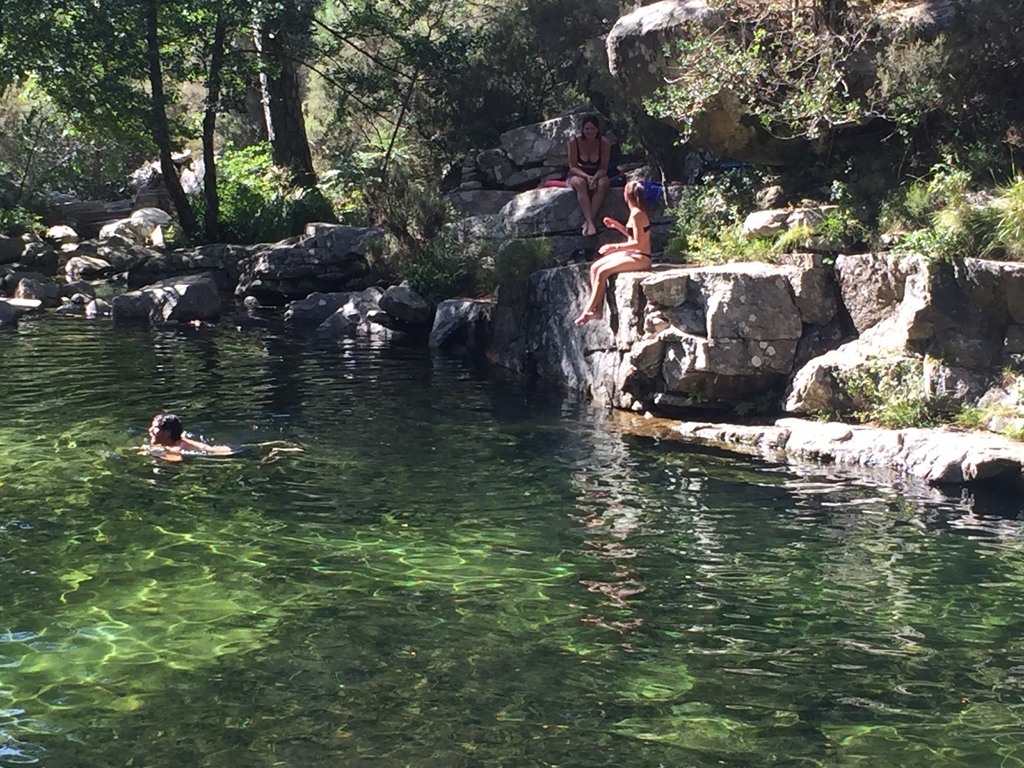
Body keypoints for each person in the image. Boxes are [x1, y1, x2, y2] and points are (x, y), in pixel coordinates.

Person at [574, 179, 653, 326]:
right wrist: (617, 226)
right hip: (634, 254)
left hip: (641, 257)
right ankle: (598, 311)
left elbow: (639, 244)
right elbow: (633, 236)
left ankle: (588, 310)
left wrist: (615, 247)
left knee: (603, 271)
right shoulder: (635, 212)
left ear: (627, 195)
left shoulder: (638, 214)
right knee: (595, 267)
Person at [567, 114, 612, 237]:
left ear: (597, 129)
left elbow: (603, 168)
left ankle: (588, 222)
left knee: (603, 183)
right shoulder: (574, 142)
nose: (589, 131)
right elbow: (573, 166)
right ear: (582, 129)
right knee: (580, 184)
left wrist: (595, 178)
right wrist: (587, 177)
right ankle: (590, 222)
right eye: (586, 129)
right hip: (578, 173)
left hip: (597, 173)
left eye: (592, 128)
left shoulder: (604, 143)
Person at [143, 413, 235, 461]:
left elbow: (175, 460)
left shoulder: (177, 448)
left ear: (167, 433)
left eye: (155, 428)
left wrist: (154, 452)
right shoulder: (169, 442)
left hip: (224, 453)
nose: (150, 430)